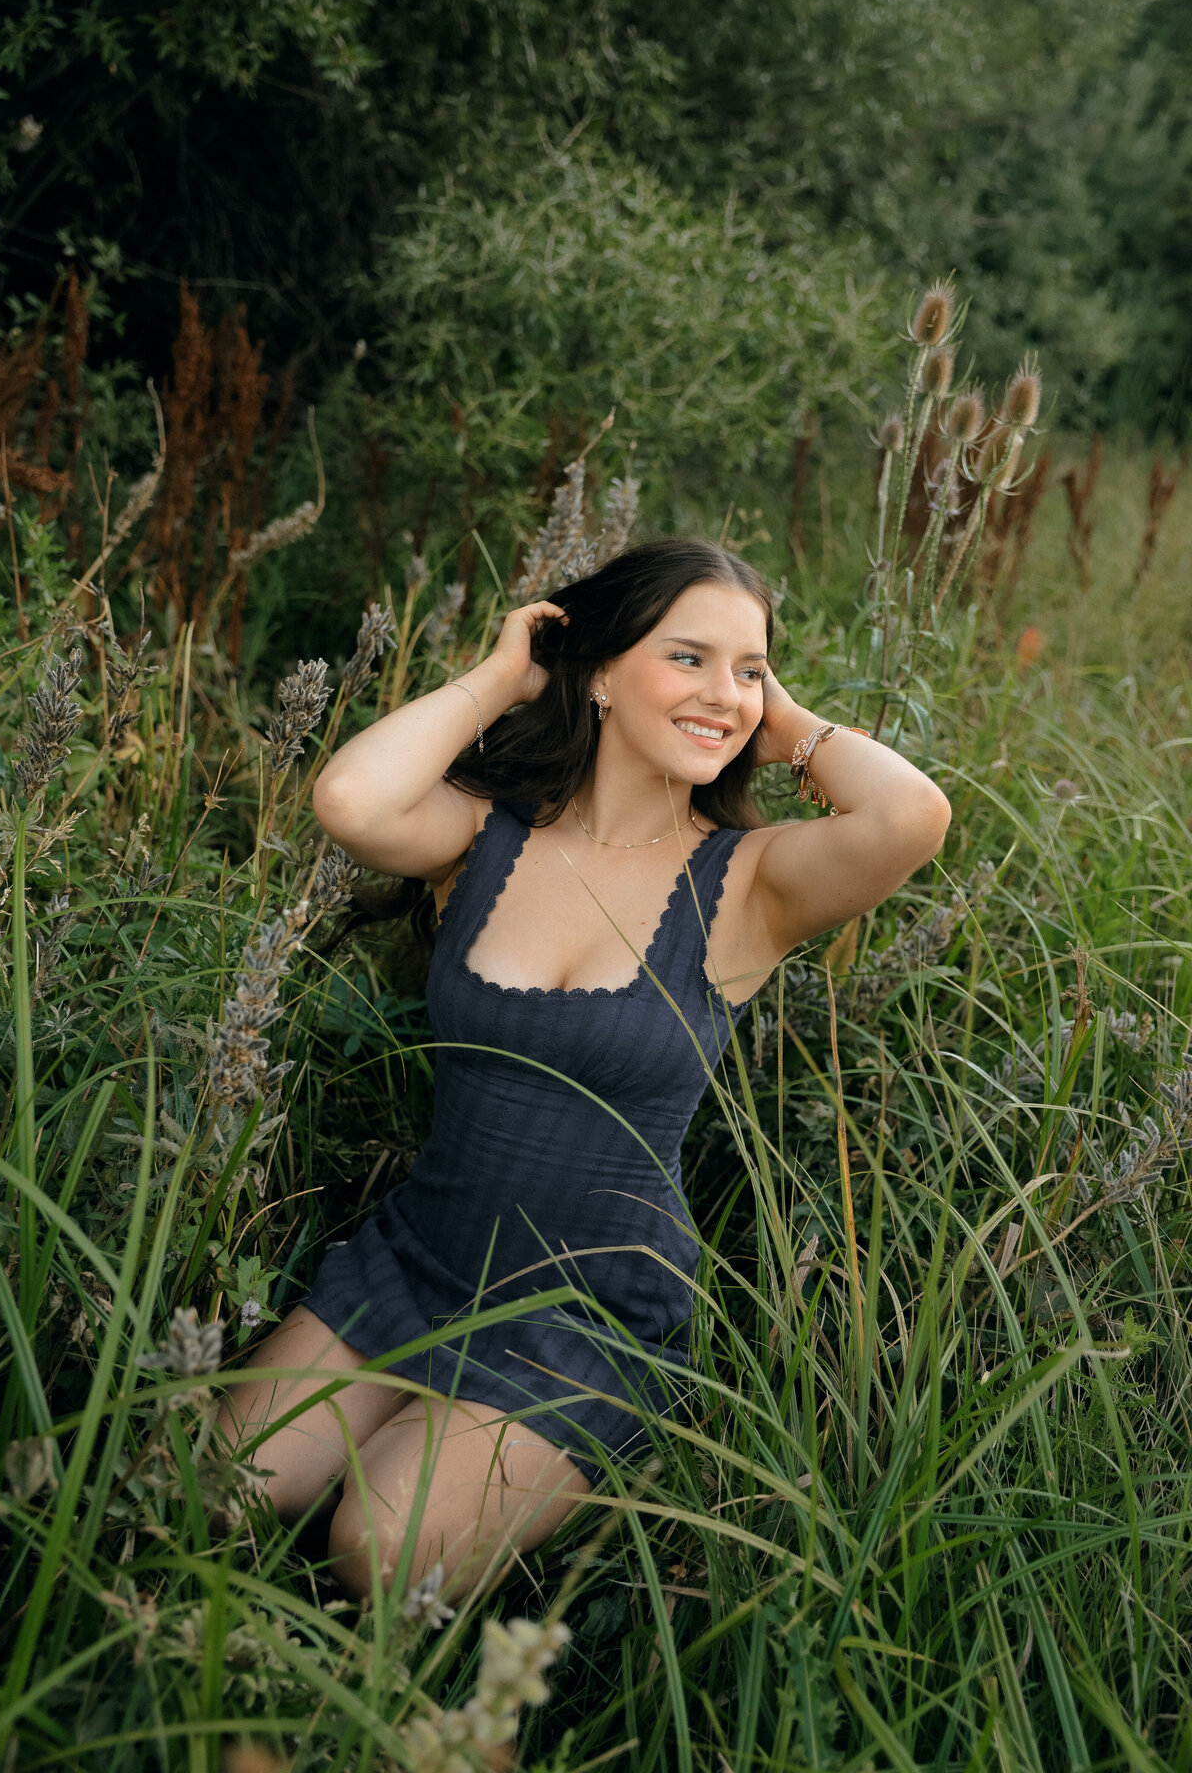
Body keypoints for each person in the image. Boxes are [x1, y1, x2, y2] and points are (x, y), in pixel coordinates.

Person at [217, 538, 951, 1604]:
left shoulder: (748, 882)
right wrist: (505, 674)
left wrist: (778, 721)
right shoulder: (485, 840)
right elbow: (350, 801)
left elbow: (911, 816)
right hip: (422, 1259)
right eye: (687, 658)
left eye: (750, 666)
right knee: (213, 1486)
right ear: (600, 671)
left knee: (377, 1546)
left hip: (587, 1310)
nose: (724, 693)